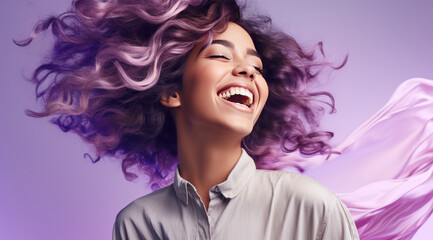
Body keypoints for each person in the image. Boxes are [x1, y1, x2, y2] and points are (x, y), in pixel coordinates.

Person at [25, 0, 433, 239]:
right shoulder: (138, 224)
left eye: (256, 66)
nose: (248, 71)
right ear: (171, 92)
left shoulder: (311, 207)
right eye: (221, 55)